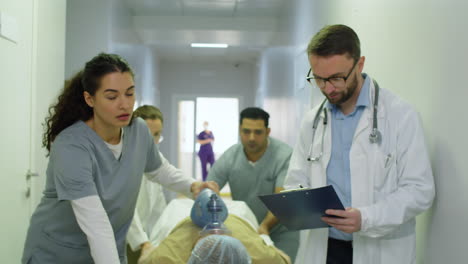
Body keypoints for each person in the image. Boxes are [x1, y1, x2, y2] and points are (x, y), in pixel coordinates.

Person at [21, 53, 218, 264]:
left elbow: (158, 169)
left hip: (108, 250)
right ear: (90, 99)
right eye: (112, 97)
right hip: (58, 253)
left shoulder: (138, 130)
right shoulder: (71, 146)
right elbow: (95, 222)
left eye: (130, 94)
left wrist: (192, 186)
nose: (124, 105)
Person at [284, 24, 435, 264]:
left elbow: (419, 190)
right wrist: (298, 202)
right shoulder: (312, 121)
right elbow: (295, 181)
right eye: (319, 79)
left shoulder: (400, 115)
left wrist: (366, 218)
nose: (327, 88)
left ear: (360, 64)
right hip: (325, 249)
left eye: (336, 78)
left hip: (381, 250)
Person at [206, 107, 299, 261]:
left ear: (268, 132)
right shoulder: (230, 157)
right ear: (239, 130)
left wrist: (264, 227)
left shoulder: (284, 156)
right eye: (246, 131)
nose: (251, 138)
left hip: (281, 231)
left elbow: (282, 199)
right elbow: (209, 190)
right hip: (246, 229)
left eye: (258, 132)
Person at [136, 190, 291, 264]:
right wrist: (264, 236)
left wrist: (147, 247)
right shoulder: (170, 255)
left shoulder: (257, 253)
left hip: (237, 222)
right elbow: (283, 260)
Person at [126, 105, 181, 262]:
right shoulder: (123, 161)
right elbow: (125, 209)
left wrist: (163, 239)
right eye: (147, 135)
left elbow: (158, 208)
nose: (152, 142)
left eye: (156, 135)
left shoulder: (154, 159)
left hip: (143, 240)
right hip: (122, 240)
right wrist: (143, 242)